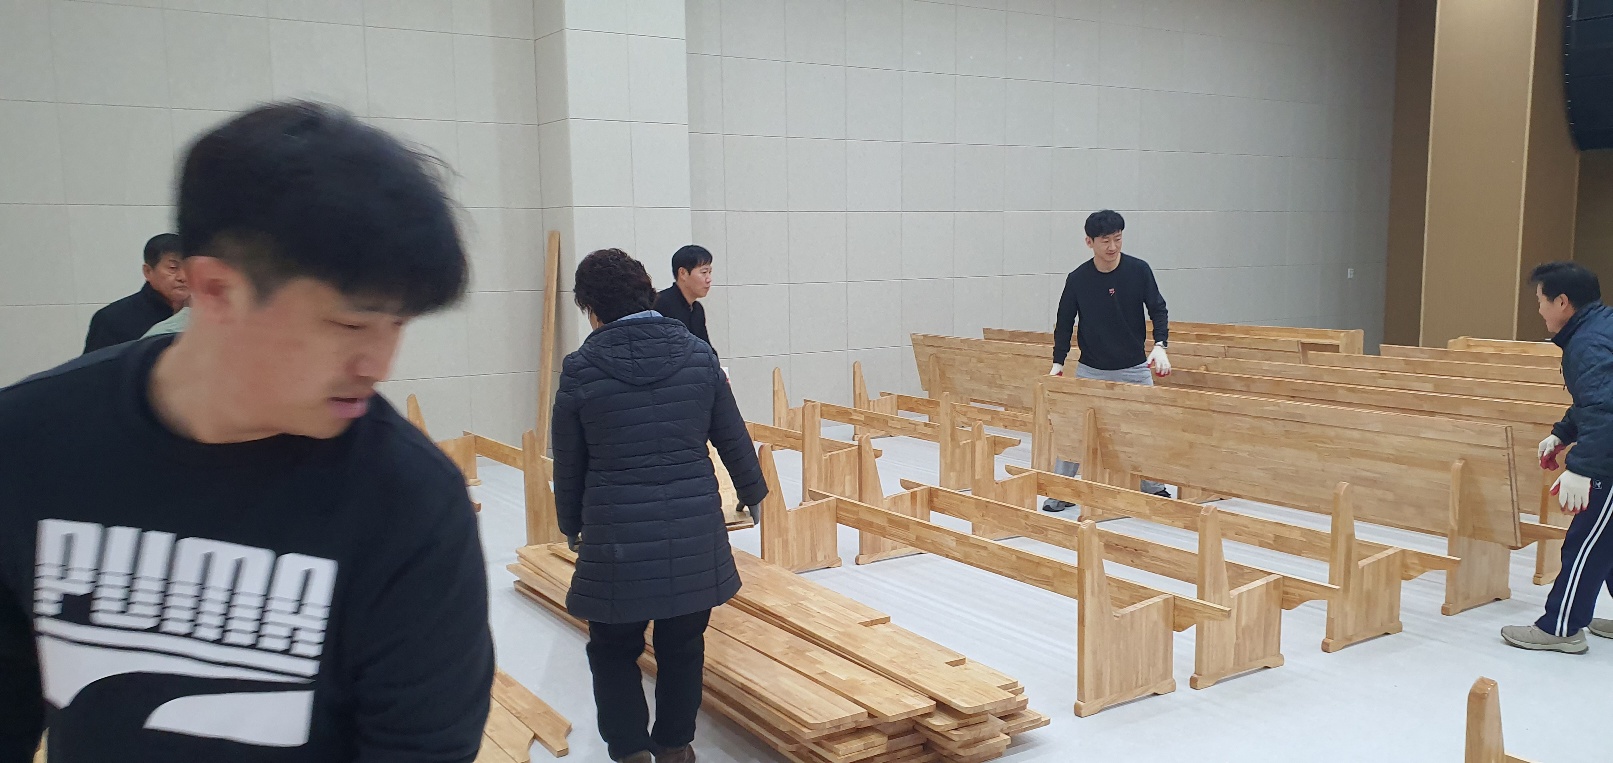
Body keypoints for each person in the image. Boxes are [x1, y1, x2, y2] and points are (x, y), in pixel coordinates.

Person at [0, 102, 493, 761]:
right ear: (215, 290)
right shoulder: (28, 445)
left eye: (397, 325)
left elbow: (423, 749)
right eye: (349, 325)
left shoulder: (409, 504)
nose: (378, 365)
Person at [551, 248, 766, 763]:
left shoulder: (581, 369)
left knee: (612, 649)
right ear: (647, 292)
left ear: (592, 310)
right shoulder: (697, 355)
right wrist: (752, 492)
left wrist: (571, 524)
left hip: (616, 539)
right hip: (693, 531)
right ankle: (674, 747)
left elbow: (569, 461)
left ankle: (629, 752)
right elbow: (732, 434)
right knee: (683, 646)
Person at [1502, 261, 1613, 653]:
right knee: (1607, 539)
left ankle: (1561, 628)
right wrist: (1563, 433)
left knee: (1586, 543)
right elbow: (1594, 400)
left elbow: (1605, 410)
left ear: (1562, 302)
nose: (1539, 310)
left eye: (1541, 301)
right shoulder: (1599, 328)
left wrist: (1581, 469)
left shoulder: (1588, 344)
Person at [1043, 209, 1172, 511]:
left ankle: (1154, 488)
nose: (1113, 247)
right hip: (1092, 369)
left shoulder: (1139, 270)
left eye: (1118, 239)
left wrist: (1161, 344)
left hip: (1135, 368)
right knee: (1076, 432)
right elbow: (1064, 322)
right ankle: (1061, 491)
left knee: (1145, 429)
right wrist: (1058, 363)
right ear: (1089, 242)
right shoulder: (1078, 279)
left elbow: (1158, 308)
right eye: (1105, 241)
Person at [82, 233, 190, 353]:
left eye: (189, 268)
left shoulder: (201, 315)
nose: (183, 277)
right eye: (173, 268)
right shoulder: (111, 320)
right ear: (148, 271)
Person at [653, 244, 715, 353]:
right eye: (704, 272)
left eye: (710, 272)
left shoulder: (697, 309)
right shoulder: (660, 304)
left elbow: (706, 350)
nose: (709, 279)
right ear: (683, 273)